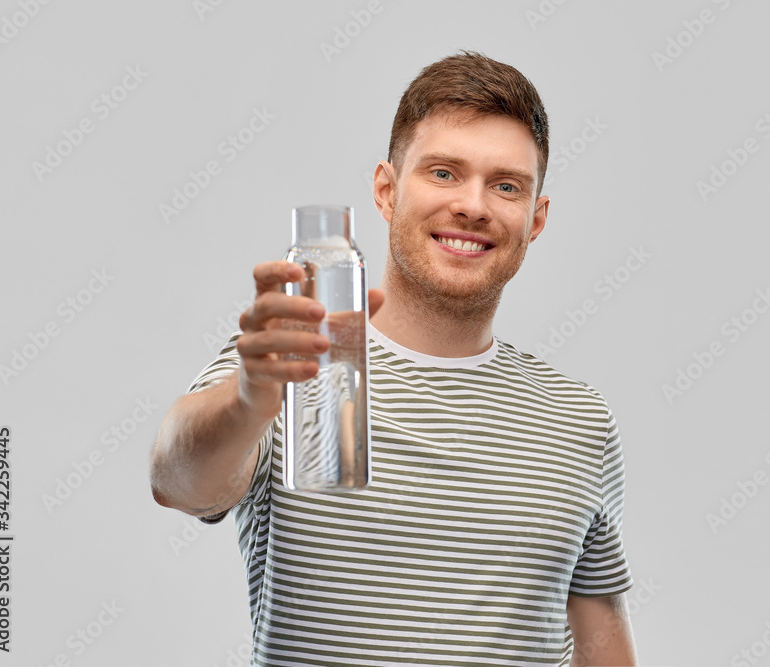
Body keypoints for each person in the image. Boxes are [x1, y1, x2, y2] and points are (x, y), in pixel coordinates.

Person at [149, 51, 638, 666]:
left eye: (506, 185)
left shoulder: (579, 420)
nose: (474, 206)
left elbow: (603, 643)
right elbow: (177, 481)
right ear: (386, 191)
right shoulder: (292, 367)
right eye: (443, 173)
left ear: (535, 219)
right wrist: (250, 397)